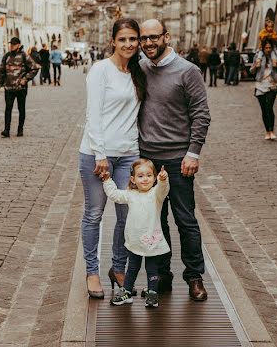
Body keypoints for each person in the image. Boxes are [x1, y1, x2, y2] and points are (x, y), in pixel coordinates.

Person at [138, 18, 211, 302]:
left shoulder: (188, 71)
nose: (148, 43)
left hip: (179, 159)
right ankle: (162, 276)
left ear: (166, 37)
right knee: (156, 222)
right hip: (149, 160)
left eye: (153, 37)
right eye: (144, 39)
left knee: (185, 220)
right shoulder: (140, 69)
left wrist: (193, 152)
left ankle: (194, 277)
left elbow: (201, 114)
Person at [79, 18, 146, 299]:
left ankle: (118, 268)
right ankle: (92, 272)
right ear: (113, 41)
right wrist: (101, 154)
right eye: (123, 40)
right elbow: (93, 115)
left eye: (133, 39)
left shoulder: (138, 72)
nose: (128, 44)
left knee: (126, 216)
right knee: (94, 214)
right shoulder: (100, 70)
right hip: (98, 155)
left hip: (129, 154)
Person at [102, 160, 170, 308]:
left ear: (154, 178)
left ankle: (152, 292)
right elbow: (115, 195)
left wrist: (163, 180)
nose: (145, 179)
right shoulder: (131, 194)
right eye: (140, 176)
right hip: (134, 240)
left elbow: (163, 189)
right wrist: (107, 180)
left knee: (152, 268)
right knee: (132, 267)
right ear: (133, 179)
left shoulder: (156, 195)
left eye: (149, 175)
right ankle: (126, 291)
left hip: (151, 239)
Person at [0, 36, 39, 138]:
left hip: (21, 88)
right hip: (9, 88)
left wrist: (25, 79)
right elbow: (1, 71)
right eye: (11, 44)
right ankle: (6, 130)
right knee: (8, 109)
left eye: (14, 44)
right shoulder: (6, 56)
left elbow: (35, 68)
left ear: (19, 45)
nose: (12, 46)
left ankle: (20, 129)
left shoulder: (24, 56)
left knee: (21, 109)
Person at [251, 40, 277, 141]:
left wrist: (276, 65)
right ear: (263, 49)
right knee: (264, 110)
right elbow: (251, 71)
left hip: (271, 85)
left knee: (269, 108)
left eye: (270, 48)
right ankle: (267, 131)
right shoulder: (258, 57)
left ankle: (272, 130)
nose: (268, 50)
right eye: (266, 48)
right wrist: (256, 65)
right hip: (260, 85)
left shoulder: (275, 57)